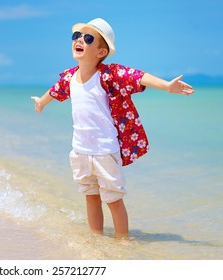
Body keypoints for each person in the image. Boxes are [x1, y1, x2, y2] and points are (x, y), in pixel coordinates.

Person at [31, 18, 194, 238]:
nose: (79, 40)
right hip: (79, 150)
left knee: (114, 199)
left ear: (101, 52)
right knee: (90, 196)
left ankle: (122, 241)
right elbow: (55, 90)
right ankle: (95, 237)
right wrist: (41, 102)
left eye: (88, 38)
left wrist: (166, 86)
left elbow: (137, 76)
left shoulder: (108, 75)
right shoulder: (70, 77)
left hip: (105, 151)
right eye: (76, 36)